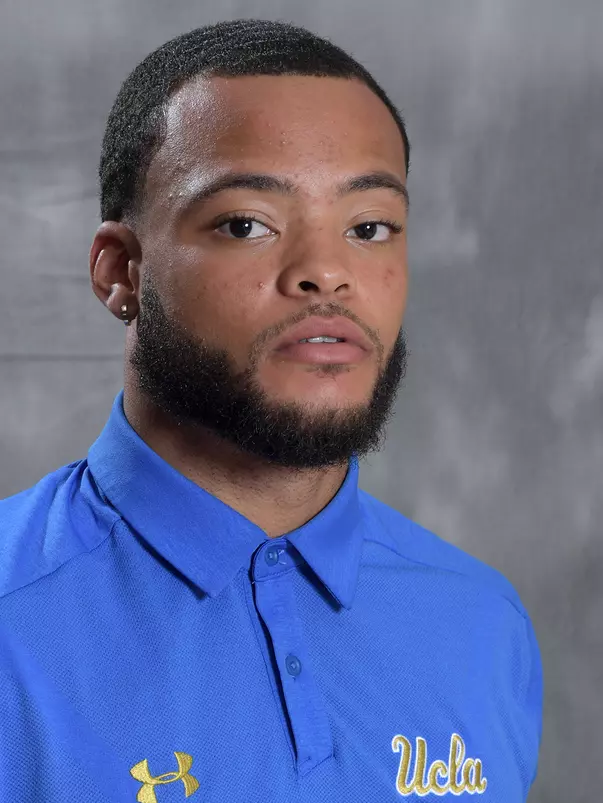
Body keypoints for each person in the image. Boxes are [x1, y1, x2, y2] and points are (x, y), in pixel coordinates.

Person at [0, 18, 542, 802]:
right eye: (245, 224)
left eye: (368, 227)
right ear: (121, 271)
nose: (325, 271)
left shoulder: (483, 624)